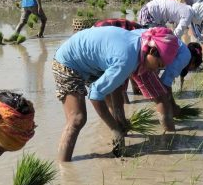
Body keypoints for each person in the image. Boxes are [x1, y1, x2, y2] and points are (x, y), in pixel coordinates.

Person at [52, 26, 179, 161]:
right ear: (152, 50)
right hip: (67, 62)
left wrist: (120, 118)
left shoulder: (139, 43)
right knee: (77, 119)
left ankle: (118, 141)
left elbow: (116, 87)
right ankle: (64, 167)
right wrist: (114, 128)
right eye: (158, 65)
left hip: (93, 65)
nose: (156, 70)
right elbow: (95, 96)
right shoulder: (127, 60)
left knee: (114, 95)